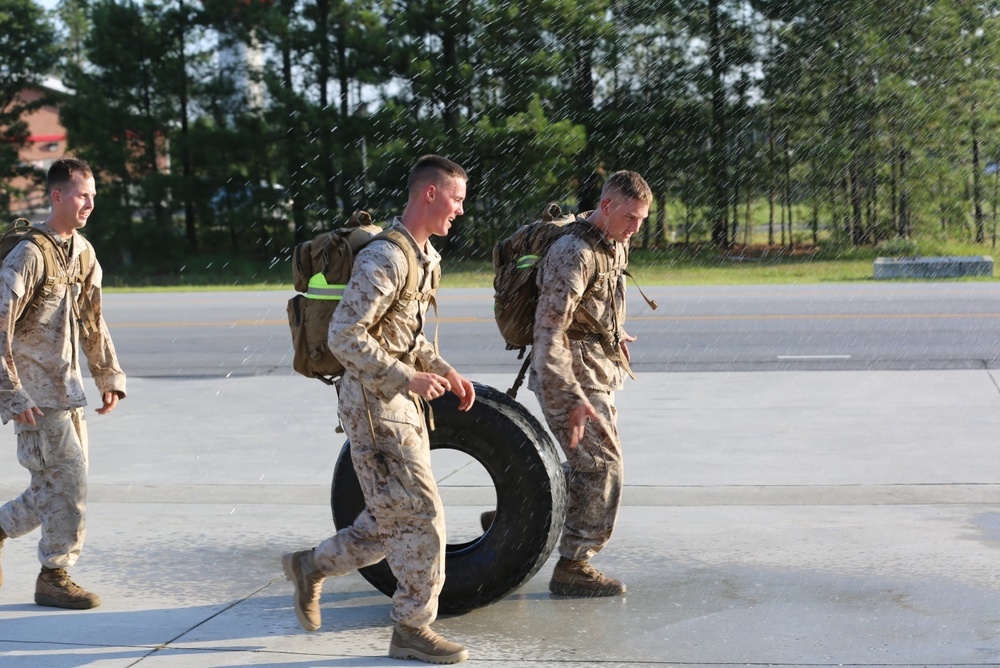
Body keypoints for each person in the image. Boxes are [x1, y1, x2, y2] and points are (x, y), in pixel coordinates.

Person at [282, 155, 476, 664]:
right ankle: (412, 628)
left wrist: (444, 369)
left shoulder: (424, 257)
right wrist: (407, 378)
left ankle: (311, 565)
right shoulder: (385, 257)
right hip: (374, 403)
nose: (460, 210)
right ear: (429, 194)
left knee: (392, 516)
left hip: (399, 400)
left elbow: (404, 335)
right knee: (421, 515)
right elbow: (345, 336)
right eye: (456, 198)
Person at [0, 158, 126, 609]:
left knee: (56, 487)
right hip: (35, 397)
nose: (89, 203)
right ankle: (54, 575)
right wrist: (11, 393)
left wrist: (108, 375)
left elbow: (93, 318)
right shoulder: (29, 255)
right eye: (81, 195)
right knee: (69, 486)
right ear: (57, 196)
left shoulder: (83, 252)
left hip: (68, 391)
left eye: (93, 196)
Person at [530, 170, 651, 597]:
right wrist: (571, 397)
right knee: (602, 466)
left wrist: (614, 334)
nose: (635, 228)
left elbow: (602, 299)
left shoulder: (614, 240)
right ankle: (573, 567)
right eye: (630, 217)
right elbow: (548, 333)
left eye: (642, 220)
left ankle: (527, 515)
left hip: (598, 368)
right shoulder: (573, 253)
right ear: (606, 206)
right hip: (569, 376)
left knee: (589, 466)